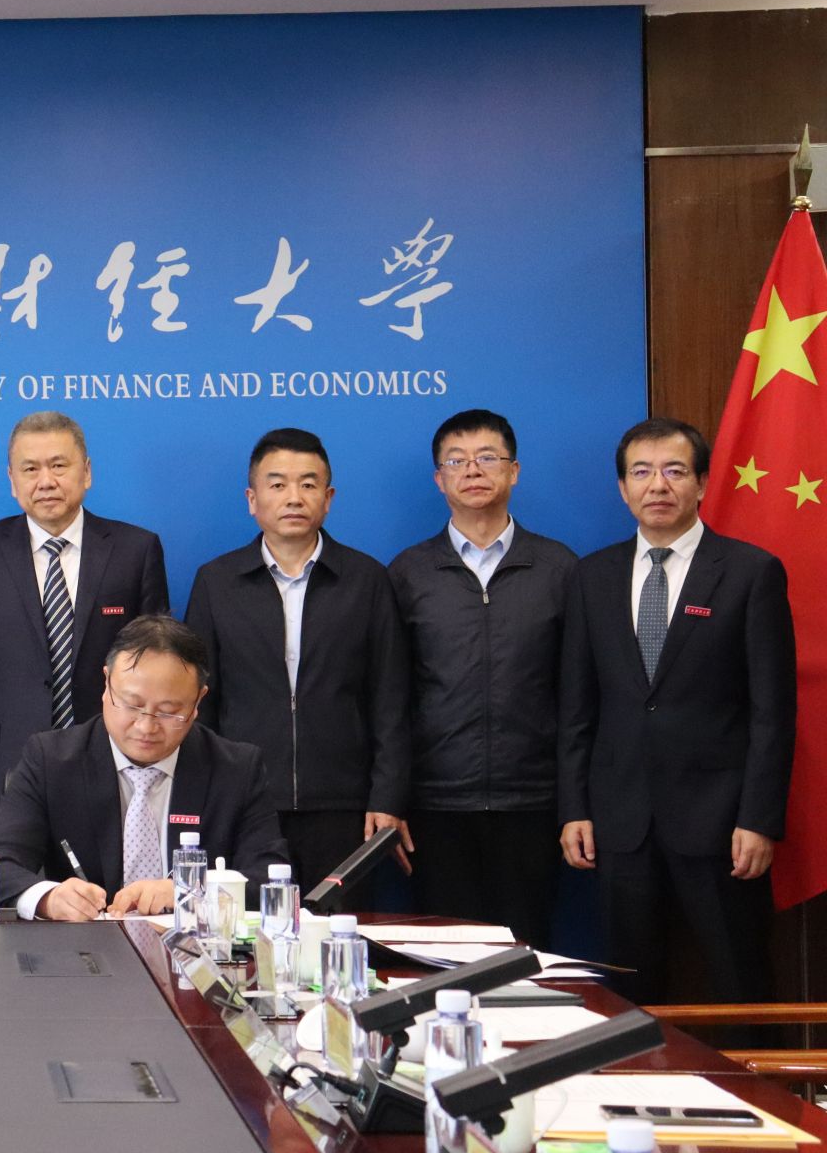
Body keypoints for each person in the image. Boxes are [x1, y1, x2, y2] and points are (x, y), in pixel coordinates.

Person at [559, 417, 796, 1004]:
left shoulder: (749, 572)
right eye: (641, 472)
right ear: (623, 488)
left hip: (722, 824)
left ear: (703, 483)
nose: (657, 485)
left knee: (740, 979)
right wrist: (575, 808)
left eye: (674, 471)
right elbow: (577, 707)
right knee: (631, 991)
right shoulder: (592, 576)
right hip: (620, 822)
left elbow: (772, 712)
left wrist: (759, 819)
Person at [184, 427, 409, 899]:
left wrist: (387, 797)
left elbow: (391, 698)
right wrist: (209, 795)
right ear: (253, 499)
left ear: (328, 498)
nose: (293, 497)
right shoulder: (217, 582)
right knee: (247, 932)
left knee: (339, 931)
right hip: (245, 802)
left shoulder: (365, 579)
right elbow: (200, 701)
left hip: (344, 805)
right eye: (278, 484)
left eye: (308, 484)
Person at [389, 410, 575, 947]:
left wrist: (574, 804)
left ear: (513, 471)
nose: (472, 470)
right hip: (436, 805)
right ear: (439, 479)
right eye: (457, 461)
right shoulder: (408, 573)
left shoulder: (559, 568)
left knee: (526, 954)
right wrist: (395, 797)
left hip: (532, 803)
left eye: (487, 457)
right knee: (445, 958)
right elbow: (391, 698)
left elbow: (578, 696)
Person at [0, 410, 169, 843]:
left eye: (59, 465)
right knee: (17, 878)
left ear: (87, 472)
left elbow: (159, 673)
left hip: (113, 760)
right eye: (30, 469)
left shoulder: (135, 550)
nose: (45, 481)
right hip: (6, 768)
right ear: (12, 480)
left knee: (103, 879)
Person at [0, 615, 287, 920]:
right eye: (131, 705)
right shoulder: (51, 761)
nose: (146, 727)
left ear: (198, 701)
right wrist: (48, 898)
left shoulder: (236, 769)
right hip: (86, 943)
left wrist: (190, 890)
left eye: (169, 712)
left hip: (193, 943)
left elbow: (270, 878)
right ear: (106, 684)